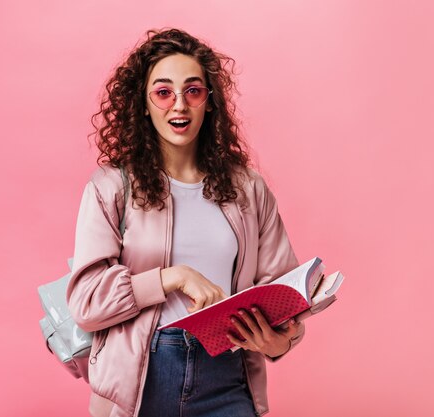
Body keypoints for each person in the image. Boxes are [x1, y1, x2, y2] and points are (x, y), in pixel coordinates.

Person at [66, 28, 305, 417]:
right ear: (143, 104)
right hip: (142, 379)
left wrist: (280, 341)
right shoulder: (112, 187)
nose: (179, 105)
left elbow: (282, 291)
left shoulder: (248, 188)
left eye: (193, 91)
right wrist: (172, 277)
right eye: (163, 92)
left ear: (209, 102)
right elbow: (87, 301)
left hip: (226, 374)